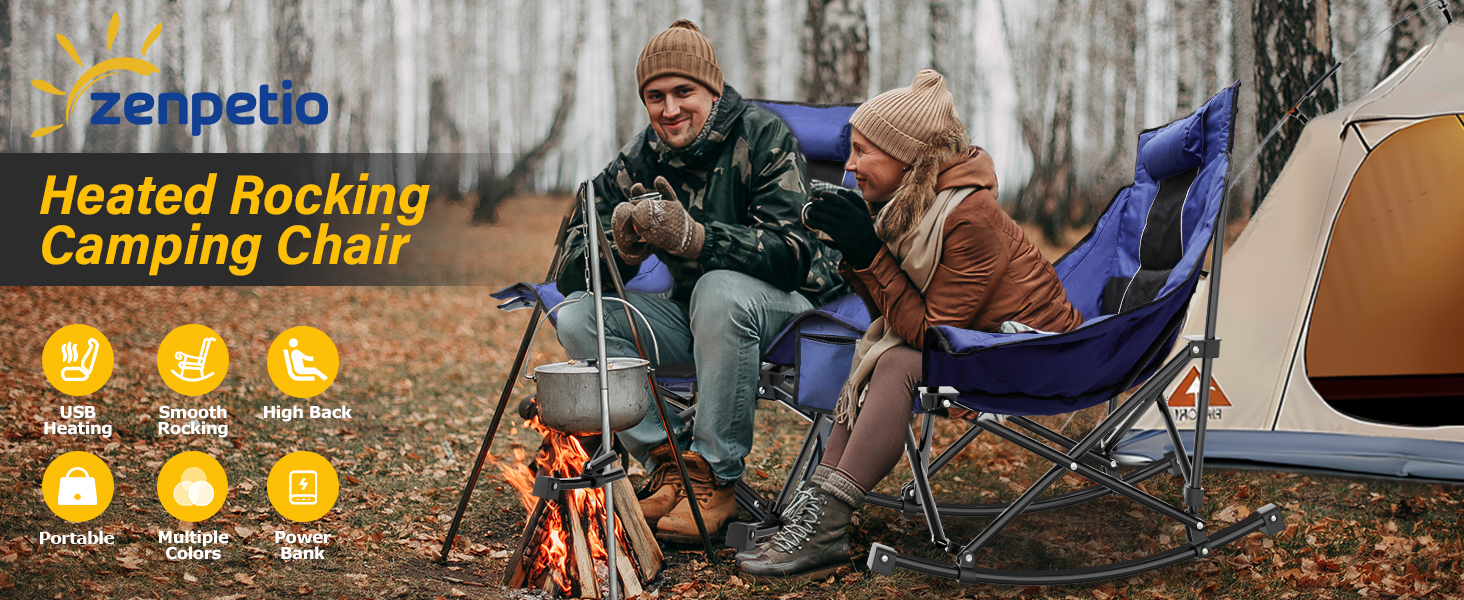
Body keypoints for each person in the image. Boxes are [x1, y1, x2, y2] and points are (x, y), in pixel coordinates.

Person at [738, 69, 1085, 580]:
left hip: (1035, 354)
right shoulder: (910, 207)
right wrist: (856, 250)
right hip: (981, 340)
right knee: (880, 348)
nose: (850, 165)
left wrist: (867, 250)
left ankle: (826, 525)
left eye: (863, 152)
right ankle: (815, 517)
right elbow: (891, 313)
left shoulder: (970, 215)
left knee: (897, 358)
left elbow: (929, 333)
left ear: (909, 158)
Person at [554, 20, 843, 542]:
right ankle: (671, 464)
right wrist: (613, 248)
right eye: (655, 96)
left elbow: (797, 254)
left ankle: (715, 478)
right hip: (696, 314)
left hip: (791, 308)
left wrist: (698, 239)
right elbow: (566, 262)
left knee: (718, 288)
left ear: (712, 90)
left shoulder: (762, 135)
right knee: (576, 314)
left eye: (684, 92)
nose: (669, 110)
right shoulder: (638, 157)